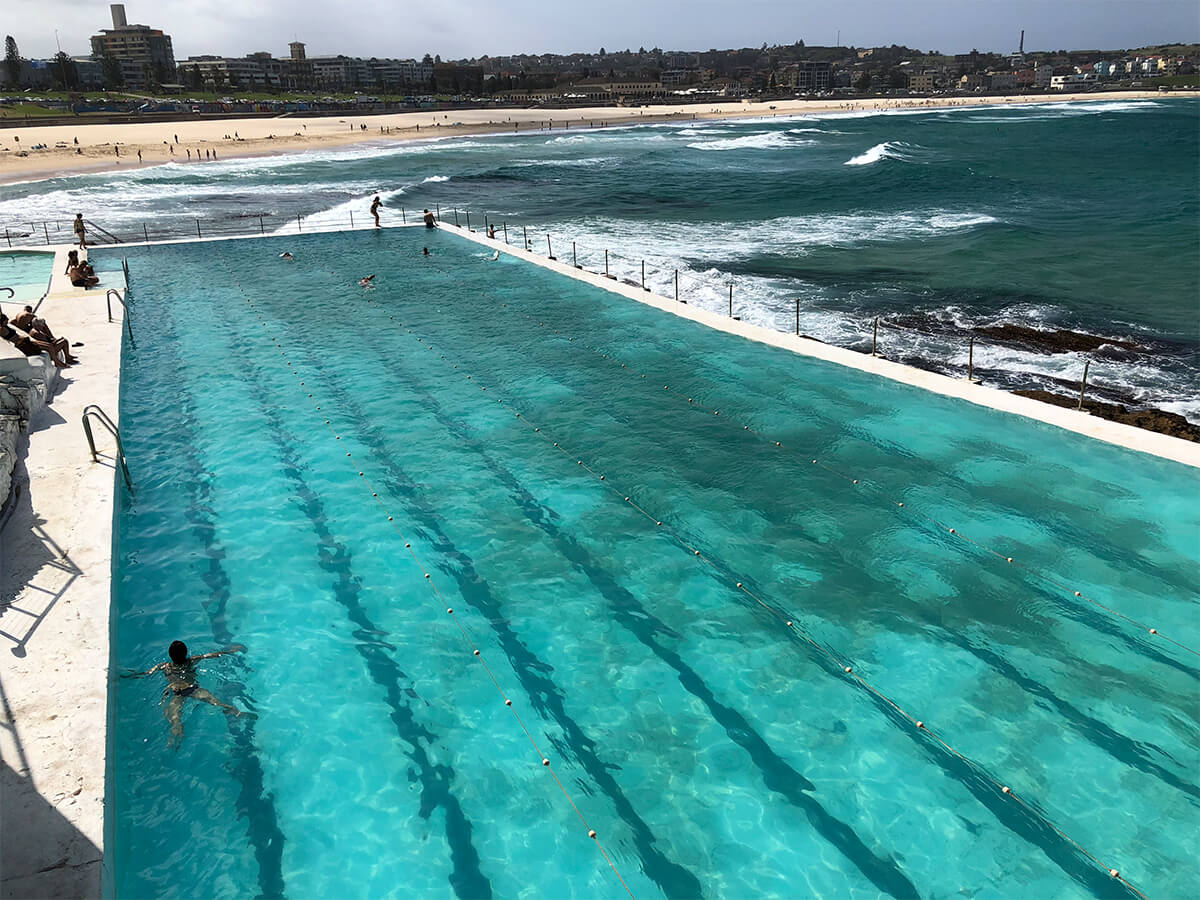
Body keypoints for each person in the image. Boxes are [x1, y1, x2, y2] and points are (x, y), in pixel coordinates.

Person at [122, 641, 254, 748]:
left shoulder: (164, 666)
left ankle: (175, 736)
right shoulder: (191, 661)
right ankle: (235, 712)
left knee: (175, 719)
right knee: (217, 702)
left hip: (177, 693)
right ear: (185, 653)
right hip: (193, 689)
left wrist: (130, 675)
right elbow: (213, 655)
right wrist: (231, 651)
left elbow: (147, 673)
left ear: (170, 655)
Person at [0, 313, 72, 368]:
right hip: (23, 344)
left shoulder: (6, 326)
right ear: (2, 321)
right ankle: (57, 363)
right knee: (49, 347)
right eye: (6, 320)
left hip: (25, 341)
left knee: (49, 346)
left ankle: (57, 362)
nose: (8, 320)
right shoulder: (2, 329)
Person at [11, 306, 79, 363]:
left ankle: (68, 357)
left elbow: (12, 323)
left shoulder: (19, 315)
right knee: (64, 341)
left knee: (62, 340)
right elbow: (47, 341)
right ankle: (68, 358)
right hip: (49, 352)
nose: (42, 327)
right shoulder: (32, 318)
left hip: (25, 333)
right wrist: (52, 337)